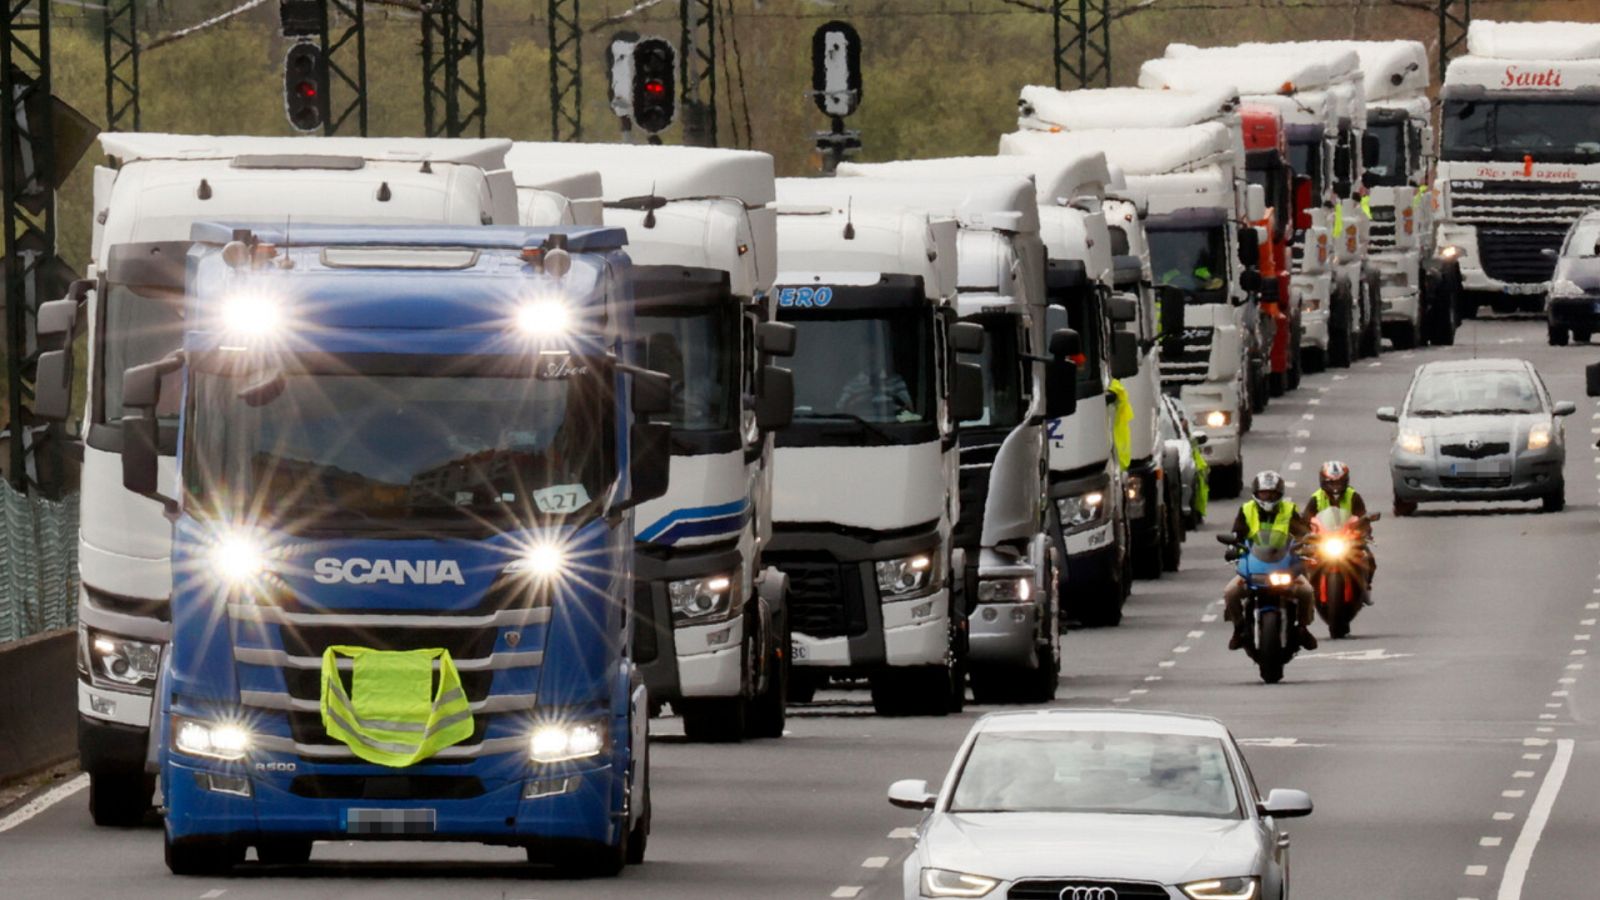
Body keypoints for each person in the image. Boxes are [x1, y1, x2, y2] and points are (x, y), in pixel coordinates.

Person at [1223, 470, 1317, 651]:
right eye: (1264, 493)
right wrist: (1233, 548)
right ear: (1256, 493)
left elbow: (1303, 533)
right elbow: (1237, 534)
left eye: (1272, 493)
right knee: (1230, 592)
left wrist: (1308, 545)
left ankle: (1303, 628)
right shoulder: (1246, 509)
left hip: (1284, 563)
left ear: (1279, 494)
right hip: (1255, 564)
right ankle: (1239, 628)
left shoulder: (1289, 510)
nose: (1268, 497)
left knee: (1306, 591)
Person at [1303, 460, 1376, 597]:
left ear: (1346, 481)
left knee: (1369, 558)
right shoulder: (1316, 498)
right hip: (1323, 540)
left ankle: (1366, 586)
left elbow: (1363, 517)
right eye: (1331, 483)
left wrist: (1365, 533)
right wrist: (1306, 535)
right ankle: (1309, 589)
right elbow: (1306, 519)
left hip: (1348, 539)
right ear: (1323, 482)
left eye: (1339, 483)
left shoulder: (1353, 496)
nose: (1335, 487)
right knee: (1304, 561)